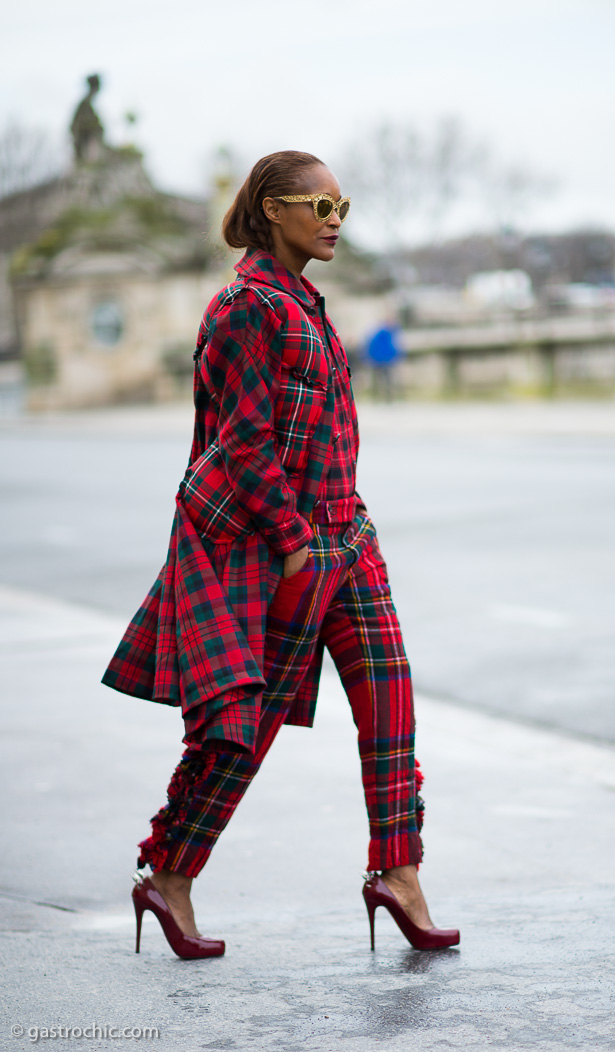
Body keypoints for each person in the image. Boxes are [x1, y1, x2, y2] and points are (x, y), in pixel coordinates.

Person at [102, 151, 459, 958]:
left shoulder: (308, 305)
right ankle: (169, 875)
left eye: (342, 205)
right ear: (271, 209)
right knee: (243, 730)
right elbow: (244, 442)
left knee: (390, 707)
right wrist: (295, 545)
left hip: (349, 537)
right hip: (280, 550)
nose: (334, 219)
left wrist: (339, 529)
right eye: (318, 205)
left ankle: (397, 873)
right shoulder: (243, 309)